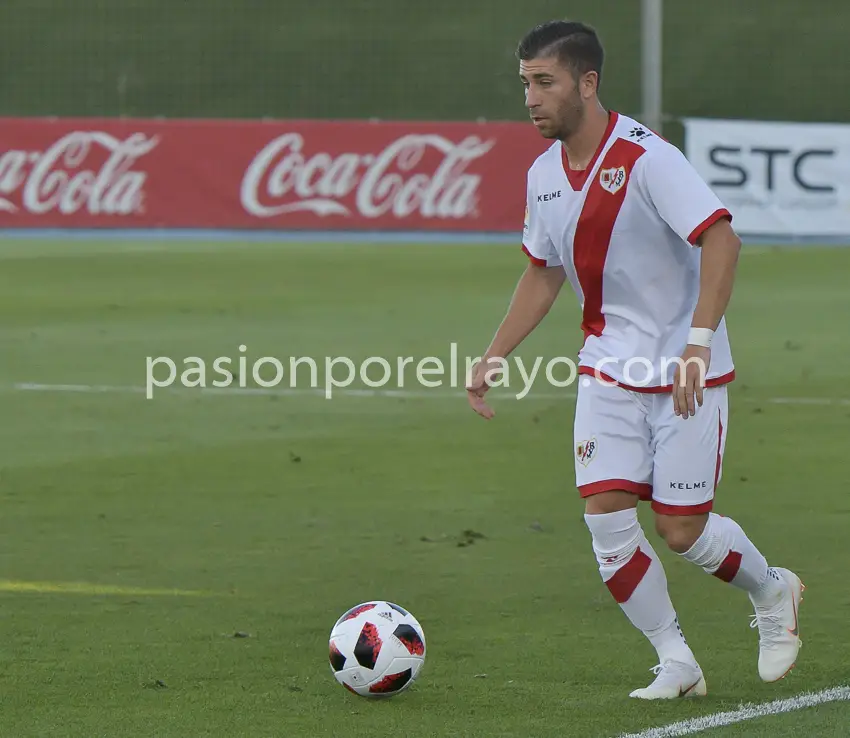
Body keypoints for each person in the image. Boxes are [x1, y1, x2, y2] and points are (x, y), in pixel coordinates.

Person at [465, 19, 804, 700]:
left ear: (587, 84)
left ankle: (772, 593)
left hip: (685, 371)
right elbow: (543, 272)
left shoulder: (649, 158)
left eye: (544, 82)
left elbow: (722, 241)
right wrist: (495, 352)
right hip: (606, 367)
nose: (530, 97)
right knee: (607, 520)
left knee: (681, 532)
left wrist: (698, 343)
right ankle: (676, 661)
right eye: (525, 82)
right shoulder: (542, 175)